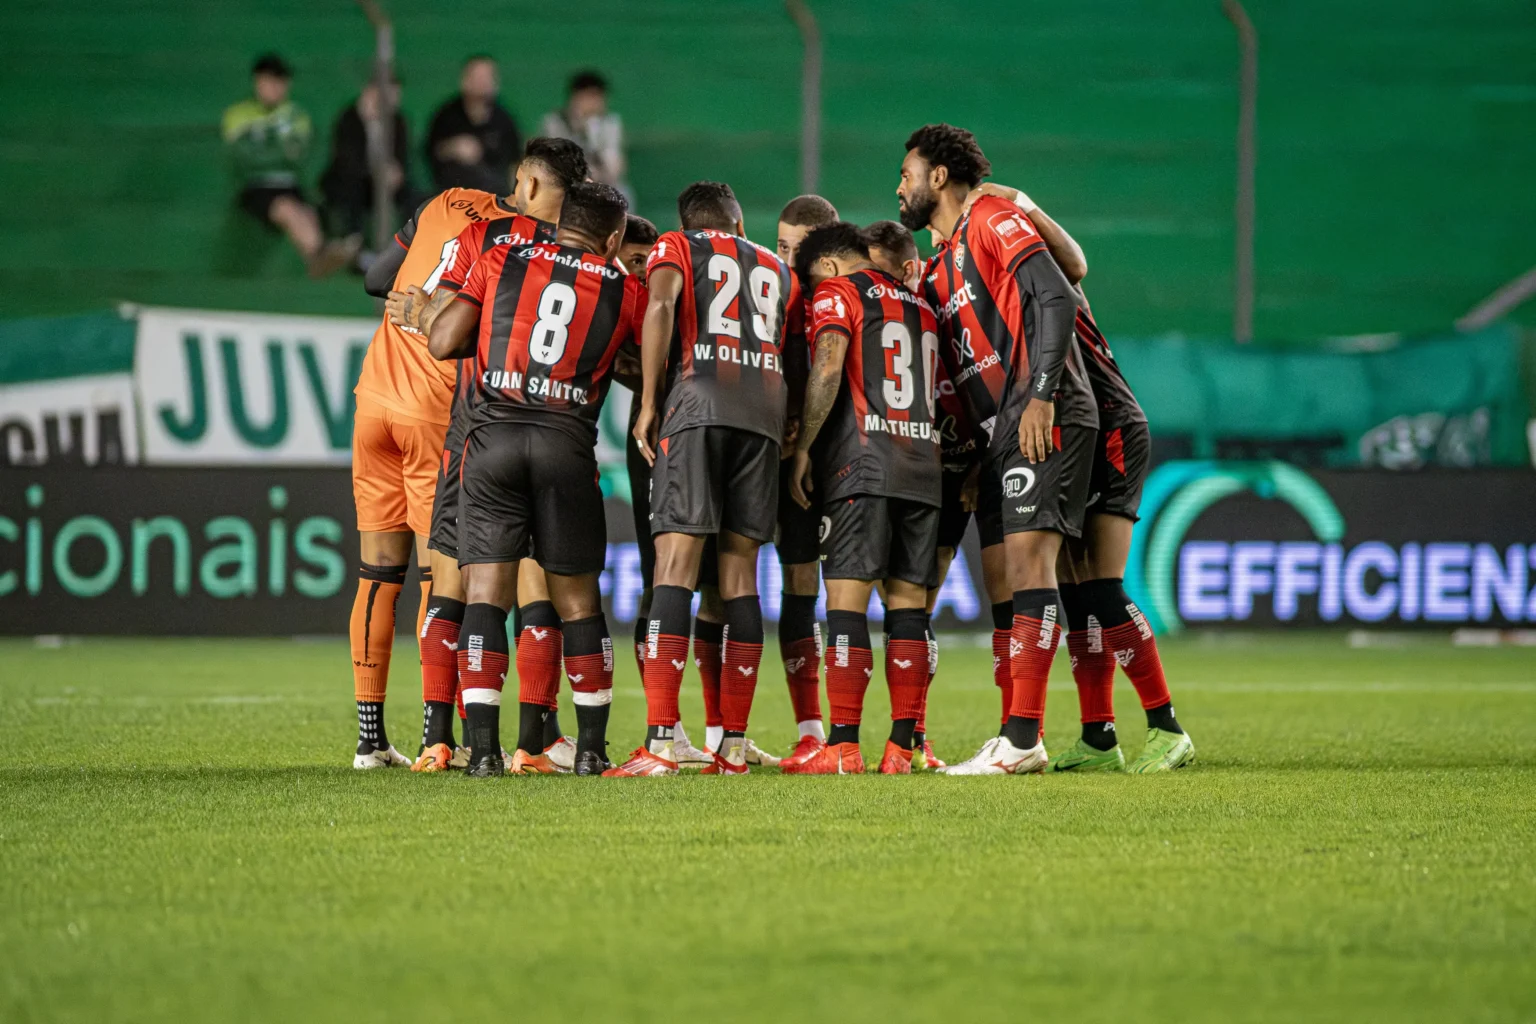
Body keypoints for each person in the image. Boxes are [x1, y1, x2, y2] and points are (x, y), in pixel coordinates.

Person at [959, 183, 1195, 774]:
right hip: (1080, 430)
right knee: (1075, 591)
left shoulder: (1045, 282)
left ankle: (1167, 726)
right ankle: (1098, 735)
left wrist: (1025, 203)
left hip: (1110, 426)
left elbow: (1075, 263)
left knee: (1099, 589)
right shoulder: (1006, 293)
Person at [376, 138, 590, 774]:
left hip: (475, 424)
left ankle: (442, 740)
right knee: (535, 585)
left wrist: (422, 309)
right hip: (553, 428)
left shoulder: (488, 239)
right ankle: (535, 742)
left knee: (453, 582)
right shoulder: (585, 256)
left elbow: (431, 317)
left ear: (524, 181)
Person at [896, 123, 1099, 776]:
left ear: (939, 178)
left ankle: (1022, 739)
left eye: (907, 173)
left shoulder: (990, 216)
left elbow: (1057, 295)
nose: (898, 186)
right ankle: (1019, 734)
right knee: (1016, 575)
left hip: (1043, 406)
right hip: (1007, 423)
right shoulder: (945, 253)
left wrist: (1041, 393)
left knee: (1030, 568)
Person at [425, 181, 640, 778]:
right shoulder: (623, 285)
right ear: (614, 238)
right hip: (564, 444)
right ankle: (592, 750)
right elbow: (645, 365)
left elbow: (443, 339)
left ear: (557, 222)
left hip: (490, 442)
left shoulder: (502, 257)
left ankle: (485, 754)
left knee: (486, 597)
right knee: (577, 603)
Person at [609, 181, 801, 777]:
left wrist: (647, 401)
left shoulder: (676, 247)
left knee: (676, 565)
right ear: (739, 224)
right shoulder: (777, 268)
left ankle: (663, 742)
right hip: (763, 413)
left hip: (697, 403)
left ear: (688, 224)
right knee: (740, 573)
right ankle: (734, 747)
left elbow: (662, 305)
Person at [785, 223, 943, 775]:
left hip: (862, 464)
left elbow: (829, 364)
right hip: (924, 467)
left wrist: (804, 447)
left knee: (847, 606)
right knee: (908, 610)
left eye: (809, 281)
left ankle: (843, 745)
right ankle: (903, 748)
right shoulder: (921, 306)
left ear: (829, 267)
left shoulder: (839, 292)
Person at [613, 214, 719, 768]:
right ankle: (666, 725)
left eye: (645, 260)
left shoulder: (671, 283)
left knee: (715, 580)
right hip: (661, 431)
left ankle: (720, 734)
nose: (642, 270)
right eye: (633, 260)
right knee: (665, 574)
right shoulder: (620, 293)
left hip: (702, 419)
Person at [864, 219, 953, 771]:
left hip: (905, 465)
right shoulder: (929, 314)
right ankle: (913, 738)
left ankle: (914, 735)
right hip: (932, 461)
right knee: (911, 609)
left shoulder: (894, 310)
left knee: (908, 606)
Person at [769, 195, 839, 770]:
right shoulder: (769, 292)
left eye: (801, 249)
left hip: (824, 461)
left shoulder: (840, 299)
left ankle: (824, 732)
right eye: (782, 246)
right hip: (763, 453)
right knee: (728, 585)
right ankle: (726, 734)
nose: (788, 259)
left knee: (809, 585)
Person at [222, 54, 356, 278]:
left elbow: (298, 154)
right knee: (286, 208)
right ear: (258, 82)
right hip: (257, 186)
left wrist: (267, 147)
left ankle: (319, 256)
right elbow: (246, 156)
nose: (277, 88)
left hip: (288, 183)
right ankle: (317, 256)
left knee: (310, 212)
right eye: (271, 81)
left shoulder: (295, 115)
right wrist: (278, 150)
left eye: (281, 82)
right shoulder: (238, 114)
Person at [319, 77, 422, 255]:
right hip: (352, 180)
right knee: (351, 190)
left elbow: (402, 157)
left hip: (386, 182)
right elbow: (347, 161)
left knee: (414, 197)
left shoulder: (398, 121)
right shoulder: (349, 118)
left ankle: (411, 248)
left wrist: (396, 172)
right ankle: (354, 247)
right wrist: (376, 171)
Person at [425, 56, 522, 192]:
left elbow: (514, 159)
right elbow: (432, 151)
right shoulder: (446, 116)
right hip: (453, 193)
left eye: (488, 77)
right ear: (464, 80)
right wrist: (453, 148)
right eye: (478, 77)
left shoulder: (504, 119)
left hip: (494, 196)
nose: (483, 82)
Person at [540, 70, 631, 203]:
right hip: (567, 188)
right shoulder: (554, 123)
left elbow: (613, 169)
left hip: (602, 185)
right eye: (587, 97)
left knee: (623, 193)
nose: (593, 103)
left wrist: (589, 132)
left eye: (597, 97)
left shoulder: (610, 124)